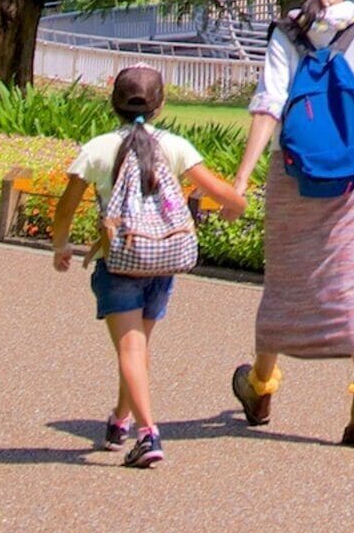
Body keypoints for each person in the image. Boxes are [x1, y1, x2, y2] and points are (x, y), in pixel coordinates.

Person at [225, 0, 354, 447]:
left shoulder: (286, 32)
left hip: (292, 172)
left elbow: (268, 104)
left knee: (285, 276)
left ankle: (260, 387)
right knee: (353, 279)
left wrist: (241, 176)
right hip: (350, 177)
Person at [53, 65, 241, 468]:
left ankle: (147, 433)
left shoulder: (98, 148)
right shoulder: (175, 146)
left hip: (119, 259)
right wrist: (236, 205)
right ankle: (120, 420)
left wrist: (59, 247)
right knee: (137, 348)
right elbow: (221, 192)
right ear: (161, 105)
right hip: (162, 260)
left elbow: (65, 207)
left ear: (112, 104)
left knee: (130, 347)